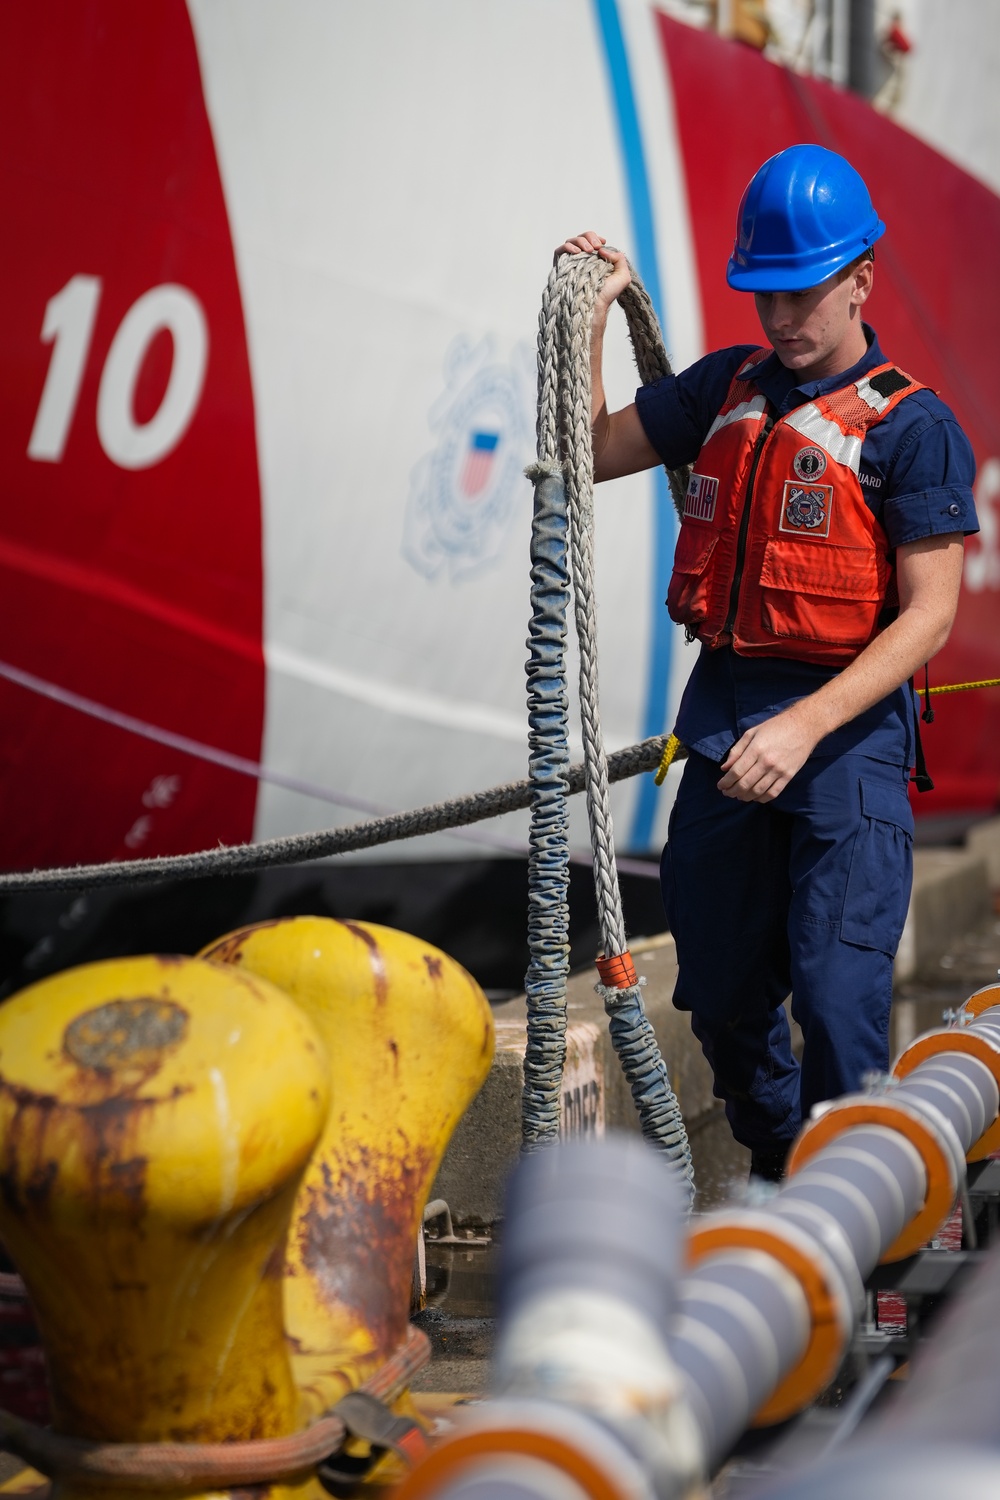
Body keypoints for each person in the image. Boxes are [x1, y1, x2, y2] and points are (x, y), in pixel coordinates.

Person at [557, 144, 979, 1180]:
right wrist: (600, 312)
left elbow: (927, 618)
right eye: (765, 296)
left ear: (860, 280)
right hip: (723, 719)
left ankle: (863, 1220)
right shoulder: (722, 389)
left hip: (845, 735)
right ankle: (785, 1163)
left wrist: (803, 727)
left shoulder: (914, 430)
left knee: (837, 999)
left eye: (803, 295)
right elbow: (590, 449)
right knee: (720, 985)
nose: (783, 320)